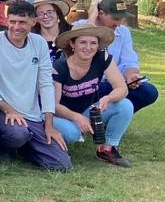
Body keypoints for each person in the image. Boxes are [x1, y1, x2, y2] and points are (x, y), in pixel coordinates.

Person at [0, 0, 71, 171]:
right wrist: (8, 109)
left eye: (22, 22)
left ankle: (23, 147)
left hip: (31, 114)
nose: (16, 27)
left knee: (62, 164)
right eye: (12, 21)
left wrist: (49, 124)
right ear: (6, 20)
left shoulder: (39, 42)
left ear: (33, 22)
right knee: (17, 133)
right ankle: (2, 148)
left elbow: (46, 84)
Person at [51, 20, 135, 167]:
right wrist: (76, 117)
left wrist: (108, 98)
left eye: (93, 43)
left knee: (125, 105)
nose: (88, 48)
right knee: (72, 133)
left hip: (87, 111)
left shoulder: (102, 58)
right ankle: (48, 145)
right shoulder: (60, 66)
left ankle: (108, 148)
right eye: (83, 42)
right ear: (72, 44)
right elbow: (54, 105)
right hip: (61, 115)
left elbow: (122, 88)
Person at [95, 0, 160, 112]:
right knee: (103, 89)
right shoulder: (83, 28)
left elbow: (129, 61)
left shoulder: (123, 32)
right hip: (92, 84)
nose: (118, 24)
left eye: (121, 19)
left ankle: (113, 116)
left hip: (118, 83)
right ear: (100, 13)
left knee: (150, 92)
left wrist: (132, 76)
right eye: (115, 18)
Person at [33, 0, 72, 66]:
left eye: (50, 12)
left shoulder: (71, 33)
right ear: (36, 18)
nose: (45, 16)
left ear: (58, 14)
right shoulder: (31, 38)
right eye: (40, 13)